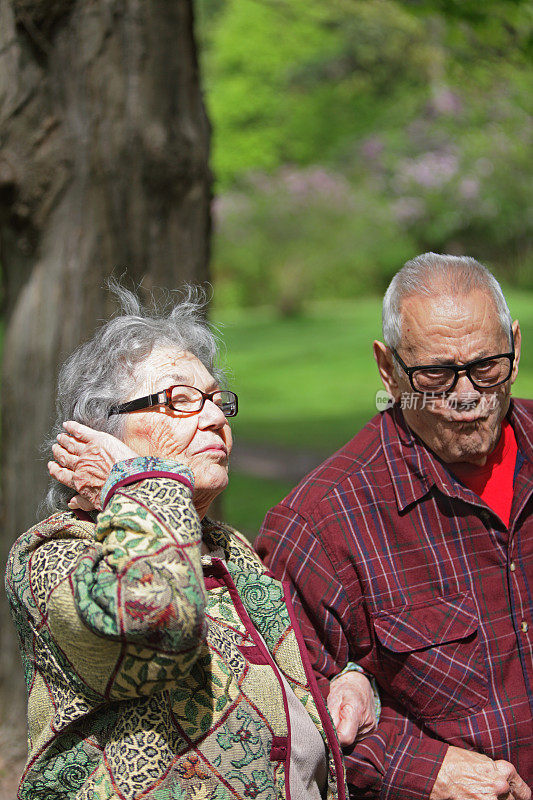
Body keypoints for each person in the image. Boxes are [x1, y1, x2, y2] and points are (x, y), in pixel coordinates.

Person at [5, 285, 374, 800]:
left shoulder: (229, 549)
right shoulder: (52, 556)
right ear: (101, 431)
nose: (217, 418)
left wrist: (353, 683)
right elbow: (160, 621)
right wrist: (137, 481)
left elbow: (310, 658)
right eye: (180, 400)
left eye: (217, 400)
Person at [256, 253, 533, 800]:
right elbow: (284, 705)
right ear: (387, 369)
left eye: (486, 366)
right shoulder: (319, 523)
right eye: (434, 373)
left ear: (516, 348)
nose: (465, 395)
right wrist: (426, 771)